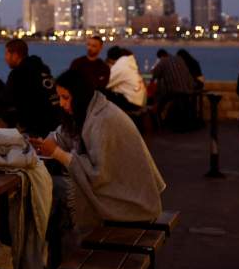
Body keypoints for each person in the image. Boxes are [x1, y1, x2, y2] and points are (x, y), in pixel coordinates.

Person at [30, 69, 165, 235]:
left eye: (65, 98)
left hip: (130, 203)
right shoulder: (91, 110)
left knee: (47, 188)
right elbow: (66, 135)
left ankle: (60, 253)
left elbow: (99, 175)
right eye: (59, 98)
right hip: (124, 193)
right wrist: (48, 143)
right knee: (51, 189)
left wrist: (57, 153)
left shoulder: (103, 120)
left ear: (79, 96)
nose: (61, 104)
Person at [0, 38, 60, 136]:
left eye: (6, 54)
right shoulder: (40, 68)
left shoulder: (19, 73)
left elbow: (2, 102)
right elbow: (12, 94)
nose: (5, 58)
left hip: (39, 130)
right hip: (55, 125)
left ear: (15, 55)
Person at [151, 49, 197, 130]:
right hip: (187, 89)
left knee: (160, 102)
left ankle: (159, 124)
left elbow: (155, 74)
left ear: (160, 56)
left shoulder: (163, 61)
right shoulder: (179, 59)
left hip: (174, 91)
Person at [104, 46, 147, 113]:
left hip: (131, 103)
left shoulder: (120, 66)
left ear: (112, 60)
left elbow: (105, 83)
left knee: (101, 92)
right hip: (139, 101)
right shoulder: (128, 63)